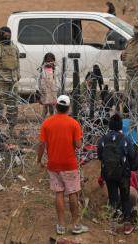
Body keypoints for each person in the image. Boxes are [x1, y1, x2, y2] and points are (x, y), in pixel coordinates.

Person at [37, 95, 89, 235]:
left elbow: (42, 144)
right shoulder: (73, 123)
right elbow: (78, 146)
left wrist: (39, 160)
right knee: (72, 192)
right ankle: (76, 225)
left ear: (56, 106)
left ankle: (61, 225)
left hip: (53, 164)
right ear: (68, 108)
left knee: (58, 192)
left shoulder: (47, 123)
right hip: (69, 164)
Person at [97, 113, 136, 235]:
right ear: (120, 125)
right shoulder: (126, 139)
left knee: (113, 198)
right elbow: (132, 156)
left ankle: (113, 226)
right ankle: (127, 225)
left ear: (109, 125)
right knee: (125, 198)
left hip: (108, 173)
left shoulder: (103, 139)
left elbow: (100, 156)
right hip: (123, 174)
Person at [38, 53, 58, 117]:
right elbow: (38, 79)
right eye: (48, 61)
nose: (49, 63)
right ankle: (42, 122)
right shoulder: (42, 69)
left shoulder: (56, 69)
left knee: (52, 107)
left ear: (53, 61)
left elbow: (57, 80)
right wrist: (38, 89)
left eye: (51, 61)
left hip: (53, 90)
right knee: (45, 107)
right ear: (45, 61)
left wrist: (58, 88)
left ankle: (51, 119)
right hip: (45, 90)